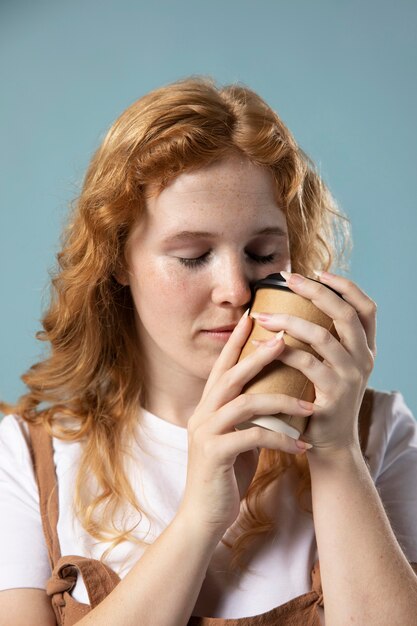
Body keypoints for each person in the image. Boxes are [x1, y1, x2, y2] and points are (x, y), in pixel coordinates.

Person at [0, 76, 416, 626]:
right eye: (194, 256)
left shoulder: (378, 430)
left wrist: (336, 452)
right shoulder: (27, 459)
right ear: (119, 262)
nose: (236, 290)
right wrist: (199, 519)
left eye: (263, 253)